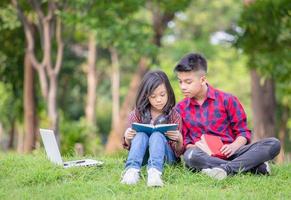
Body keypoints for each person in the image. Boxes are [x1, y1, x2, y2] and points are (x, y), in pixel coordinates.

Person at [174, 52, 281, 180]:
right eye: (180, 82)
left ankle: (225, 169)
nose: (183, 87)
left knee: (273, 143)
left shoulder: (227, 100)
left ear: (203, 79)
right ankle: (252, 167)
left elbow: (243, 133)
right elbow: (187, 143)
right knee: (190, 156)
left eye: (188, 82)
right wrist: (198, 147)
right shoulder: (179, 109)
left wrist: (233, 146)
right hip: (204, 155)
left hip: (234, 152)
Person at [121, 70, 184, 186]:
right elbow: (130, 147)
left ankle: (155, 173)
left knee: (157, 135)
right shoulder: (136, 114)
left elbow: (178, 152)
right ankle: (131, 171)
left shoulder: (174, 116)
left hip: (166, 159)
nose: (159, 100)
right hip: (143, 158)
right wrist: (127, 137)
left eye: (162, 95)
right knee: (140, 135)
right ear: (146, 96)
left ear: (169, 93)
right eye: (153, 96)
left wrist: (179, 139)